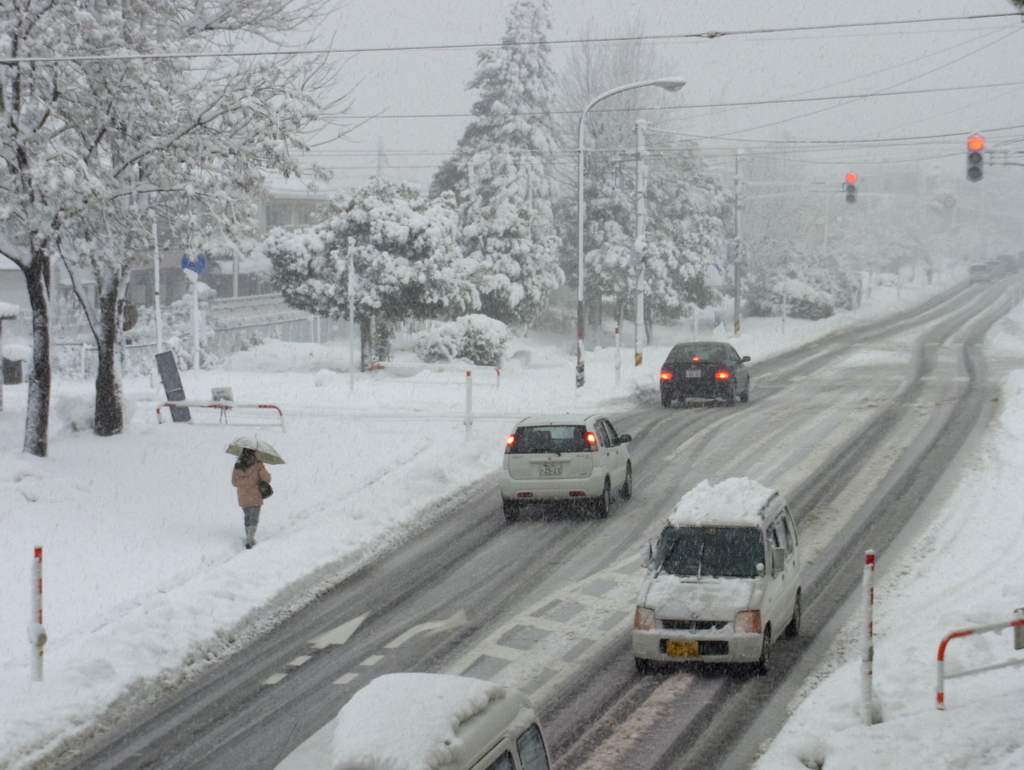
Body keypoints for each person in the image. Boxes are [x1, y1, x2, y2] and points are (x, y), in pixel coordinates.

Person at [231, 448, 271, 549]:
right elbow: (267, 479)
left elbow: (234, 482)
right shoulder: (258, 465)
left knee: (248, 518)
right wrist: (261, 470)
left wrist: (245, 482)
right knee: (254, 519)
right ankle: (250, 540)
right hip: (255, 495)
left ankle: (248, 537)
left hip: (243, 496)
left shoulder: (238, 466)